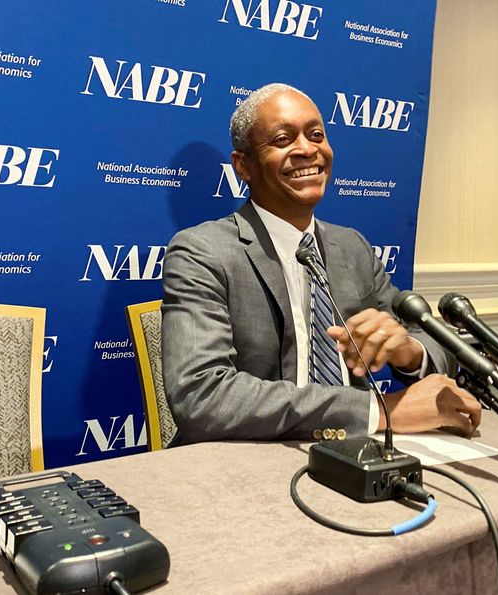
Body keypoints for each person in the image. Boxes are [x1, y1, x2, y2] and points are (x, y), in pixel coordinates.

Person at [161, 83, 480, 445]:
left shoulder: (352, 248)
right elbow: (202, 396)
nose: (306, 149)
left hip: (355, 455)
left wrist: (407, 350)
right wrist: (377, 411)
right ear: (243, 166)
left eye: (316, 135)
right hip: (246, 461)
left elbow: (438, 349)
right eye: (283, 140)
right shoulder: (201, 252)